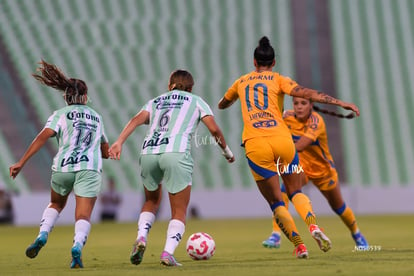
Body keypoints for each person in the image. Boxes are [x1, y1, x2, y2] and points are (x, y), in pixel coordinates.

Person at [218, 36, 360, 258]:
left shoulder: (241, 81)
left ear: (254, 62)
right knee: (295, 191)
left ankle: (300, 245)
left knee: (276, 201)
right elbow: (307, 93)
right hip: (283, 142)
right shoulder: (280, 80)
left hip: (256, 145)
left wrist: (234, 98)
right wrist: (340, 102)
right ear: (274, 63)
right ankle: (314, 226)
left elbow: (223, 104)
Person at [109, 69, 235, 266]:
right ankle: (167, 253)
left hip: (148, 153)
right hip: (175, 153)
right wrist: (226, 151)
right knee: (179, 210)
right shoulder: (196, 101)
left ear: (169, 86)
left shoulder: (156, 101)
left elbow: (136, 120)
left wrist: (119, 142)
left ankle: (142, 237)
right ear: (191, 88)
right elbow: (214, 129)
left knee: (151, 201)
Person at [9, 60, 109, 269]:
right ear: (85, 96)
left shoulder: (60, 115)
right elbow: (105, 152)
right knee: (83, 214)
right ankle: (77, 249)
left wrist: (21, 162)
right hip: (89, 169)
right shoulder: (97, 118)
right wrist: (111, 151)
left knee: (56, 203)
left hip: (63, 167)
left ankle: (43, 234)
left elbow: (41, 138)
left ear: (66, 97)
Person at [262, 96, 368, 249]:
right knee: (284, 190)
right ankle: (276, 235)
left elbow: (300, 146)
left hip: (323, 171)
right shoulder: (287, 117)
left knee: (339, 207)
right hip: (302, 168)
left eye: (303, 103)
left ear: (311, 105)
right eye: (296, 103)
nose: (299, 107)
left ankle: (357, 234)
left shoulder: (316, 122)